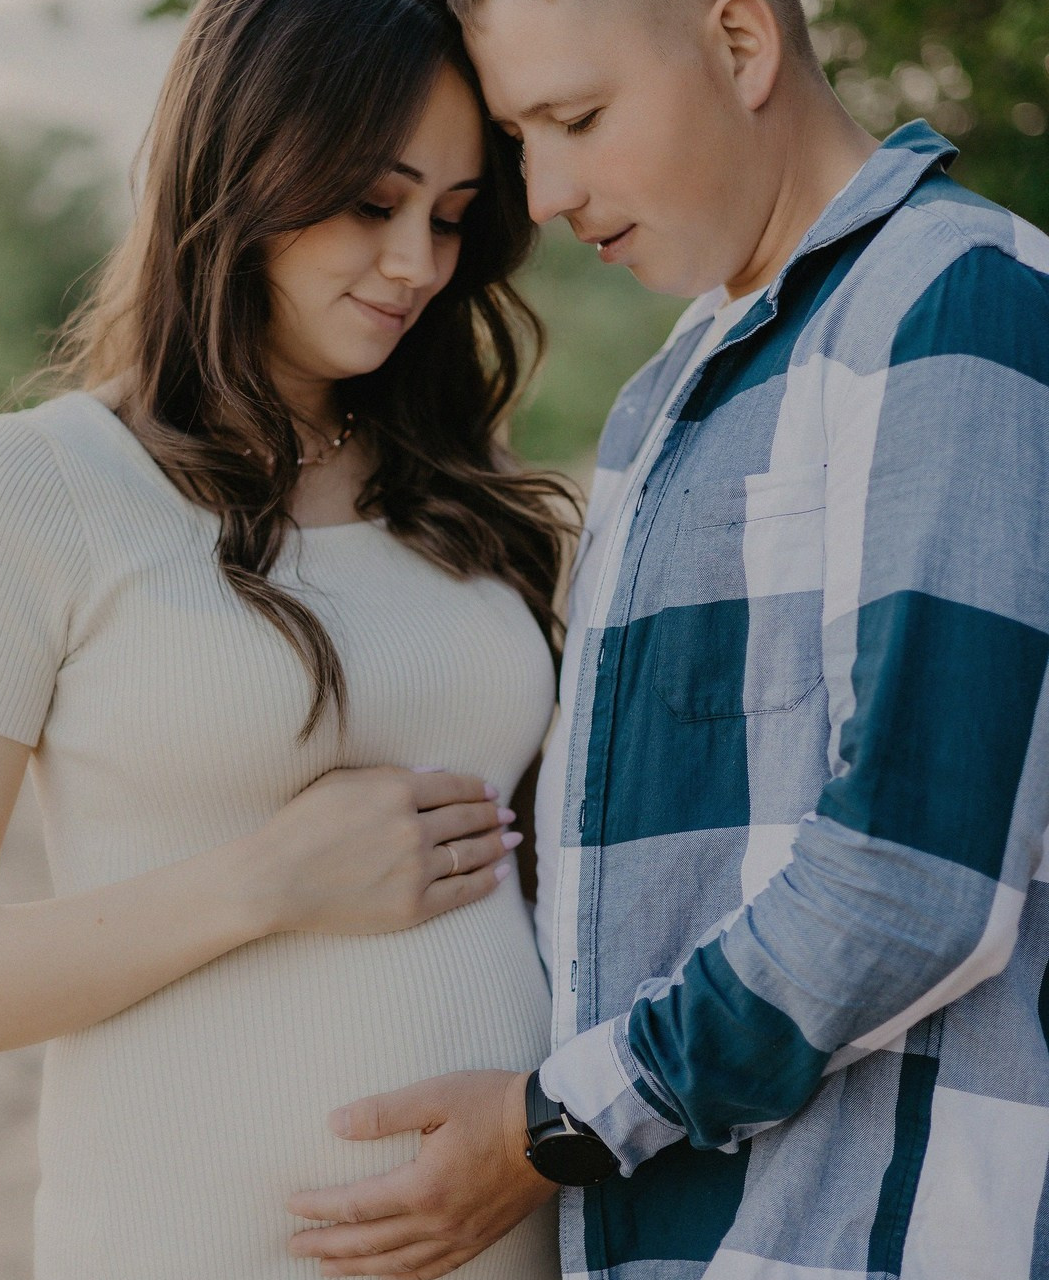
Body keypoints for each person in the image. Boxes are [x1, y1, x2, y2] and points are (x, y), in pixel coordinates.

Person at [286, 1, 1049, 1277]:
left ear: (740, 43)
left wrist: (552, 1125)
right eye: (522, 139)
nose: (545, 195)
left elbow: (916, 872)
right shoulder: (669, 388)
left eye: (578, 121)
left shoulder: (954, 298)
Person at [0, 0, 577, 1274]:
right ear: (242, 170)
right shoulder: (37, 487)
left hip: (513, 1240)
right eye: (370, 201)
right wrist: (265, 883)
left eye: (451, 215)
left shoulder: (465, 492)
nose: (415, 261)